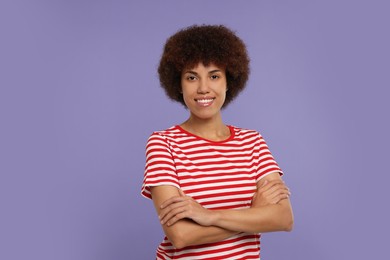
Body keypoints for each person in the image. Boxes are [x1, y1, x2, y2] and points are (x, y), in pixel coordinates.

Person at [141, 24, 293, 260]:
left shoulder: (252, 142)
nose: (203, 88)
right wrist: (254, 214)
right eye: (192, 77)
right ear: (179, 85)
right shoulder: (163, 144)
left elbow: (283, 218)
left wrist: (209, 215)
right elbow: (180, 235)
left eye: (214, 76)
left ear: (228, 81)